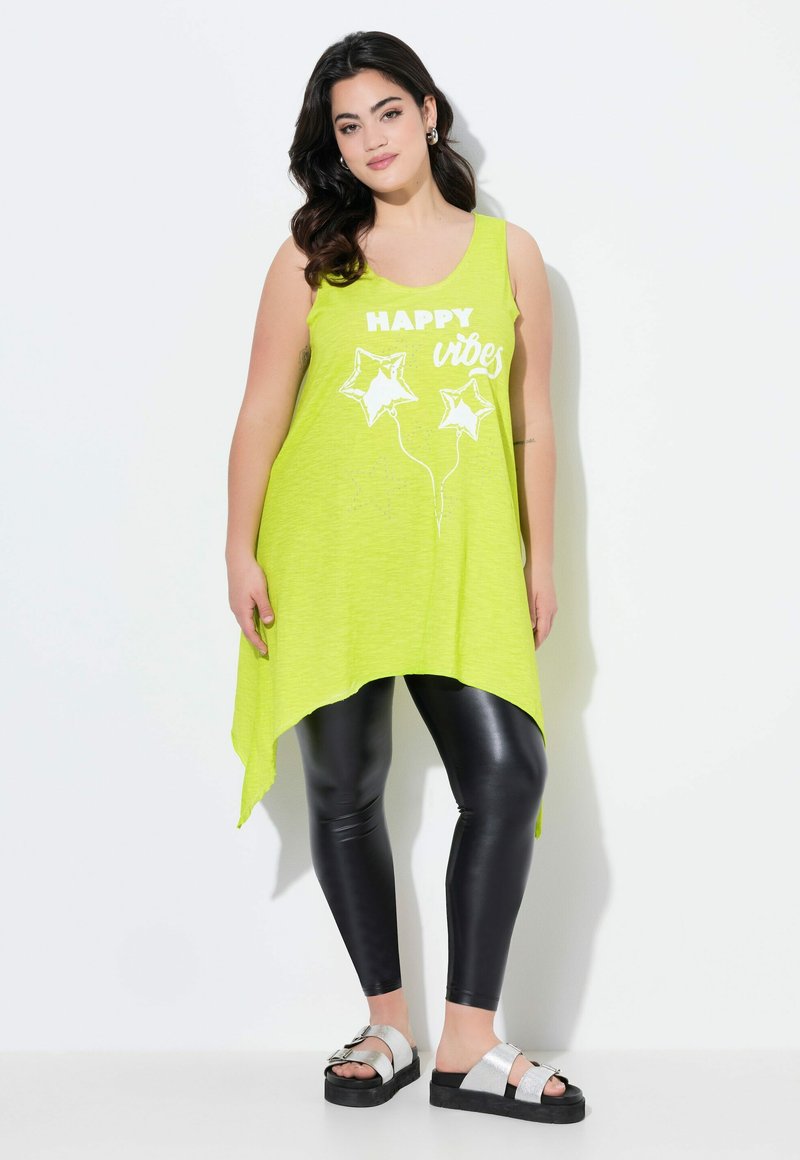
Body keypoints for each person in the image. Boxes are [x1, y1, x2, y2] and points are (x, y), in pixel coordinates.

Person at [226, 30, 585, 1124]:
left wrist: (539, 556)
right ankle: (388, 1025)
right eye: (348, 125)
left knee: (507, 774)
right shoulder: (311, 257)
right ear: (332, 145)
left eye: (388, 111)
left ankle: (468, 1043)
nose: (372, 138)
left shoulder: (508, 253)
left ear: (428, 112)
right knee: (345, 790)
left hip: (460, 559)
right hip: (326, 554)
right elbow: (262, 410)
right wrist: (238, 548)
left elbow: (531, 420)